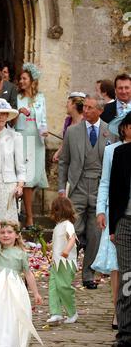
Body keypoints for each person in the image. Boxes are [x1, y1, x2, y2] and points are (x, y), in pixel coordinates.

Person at [58, 93, 113, 289]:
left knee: (95, 233)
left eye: (90, 108)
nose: (86, 110)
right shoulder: (72, 131)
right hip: (78, 187)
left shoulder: (110, 132)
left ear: (100, 110)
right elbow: (64, 161)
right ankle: (68, 270)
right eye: (85, 107)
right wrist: (61, 188)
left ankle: (88, 274)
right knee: (74, 230)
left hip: (100, 189)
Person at [93, 111, 131, 329]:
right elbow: (105, 182)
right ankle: (118, 311)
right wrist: (100, 210)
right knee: (117, 265)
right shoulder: (111, 151)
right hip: (116, 212)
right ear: (123, 128)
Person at [15, 63, 49, 227]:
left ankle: (22, 210)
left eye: (24, 78)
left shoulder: (40, 97)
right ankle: (29, 217)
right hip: (23, 137)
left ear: (31, 80)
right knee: (27, 180)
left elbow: (43, 118)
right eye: (20, 78)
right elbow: (11, 120)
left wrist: (45, 131)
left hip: (37, 139)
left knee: (35, 179)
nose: (21, 81)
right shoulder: (17, 97)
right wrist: (18, 113)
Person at [109, 141, 131, 347]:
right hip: (125, 223)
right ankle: (126, 336)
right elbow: (114, 190)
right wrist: (114, 225)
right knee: (128, 278)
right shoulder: (122, 153)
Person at [47, 197, 78, 324]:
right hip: (57, 263)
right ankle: (56, 312)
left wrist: (66, 251)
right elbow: (59, 241)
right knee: (53, 287)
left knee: (64, 287)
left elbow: (72, 238)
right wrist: (50, 246)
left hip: (66, 262)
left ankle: (72, 312)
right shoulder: (58, 226)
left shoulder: (68, 225)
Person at [52, 91, 85, 162]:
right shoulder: (68, 121)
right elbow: (65, 141)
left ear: (74, 105)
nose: (66, 105)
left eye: (68, 103)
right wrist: (58, 152)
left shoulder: (85, 122)